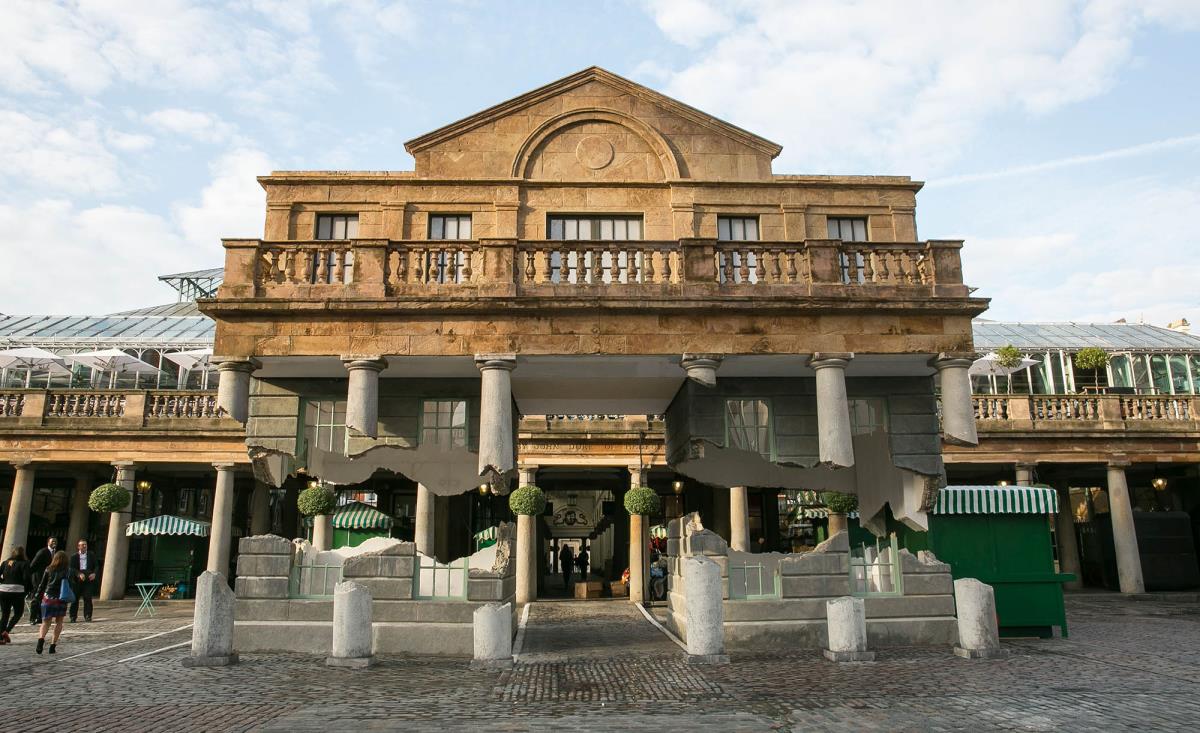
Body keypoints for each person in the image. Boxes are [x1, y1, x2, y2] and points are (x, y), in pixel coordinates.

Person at [34, 550, 70, 655]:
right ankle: (52, 646)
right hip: (61, 598)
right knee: (59, 622)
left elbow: (42, 584)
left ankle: (40, 641)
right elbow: (71, 584)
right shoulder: (67, 571)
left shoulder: (48, 569)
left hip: (48, 597)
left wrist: (37, 595)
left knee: (46, 622)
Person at [0, 546, 31, 644]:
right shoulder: (25, 563)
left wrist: (3, 581)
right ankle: (6, 631)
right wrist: (28, 589)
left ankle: (0, 637)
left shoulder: (5, 563)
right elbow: (27, 578)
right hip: (17, 591)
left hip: (3, 590)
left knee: (5, 614)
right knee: (18, 613)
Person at [27, 537, 56, 626]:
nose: (54, 543)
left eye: (55, 541)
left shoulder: (55, 553)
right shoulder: (42, 552)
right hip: (38, 578)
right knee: (36, 598)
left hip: (48, 579)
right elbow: (33, 565)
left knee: (43, 599)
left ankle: (39, 617)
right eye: (52, 541)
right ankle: (32, 618)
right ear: (48, 543)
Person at [69, 539, 98, 623]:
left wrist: (94, 574)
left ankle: (88, 616)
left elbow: (96, 566)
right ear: (78, 547)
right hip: (77, 580)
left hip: (88, 578)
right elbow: (71, 568)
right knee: (75, 599)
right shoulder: (74, 556)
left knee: (88, 598)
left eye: (85, 545)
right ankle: (73, 616)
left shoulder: (91, 555)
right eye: (82, 545)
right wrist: (78, 574)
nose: (84, 546)